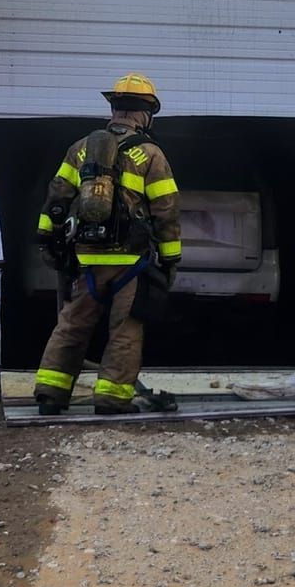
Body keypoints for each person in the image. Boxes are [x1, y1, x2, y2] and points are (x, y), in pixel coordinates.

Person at [31, 74, 182, 416]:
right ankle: (112, 398)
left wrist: (48, 240)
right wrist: (171, 259)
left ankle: (50, 394)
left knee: (71, 324)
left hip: (86, 257)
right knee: (126, 329)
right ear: (146, 114)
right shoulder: (151, 154)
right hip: (131, 263)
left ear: (114, 108)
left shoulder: (81, 147)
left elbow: (56, 196)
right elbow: (166, 210)